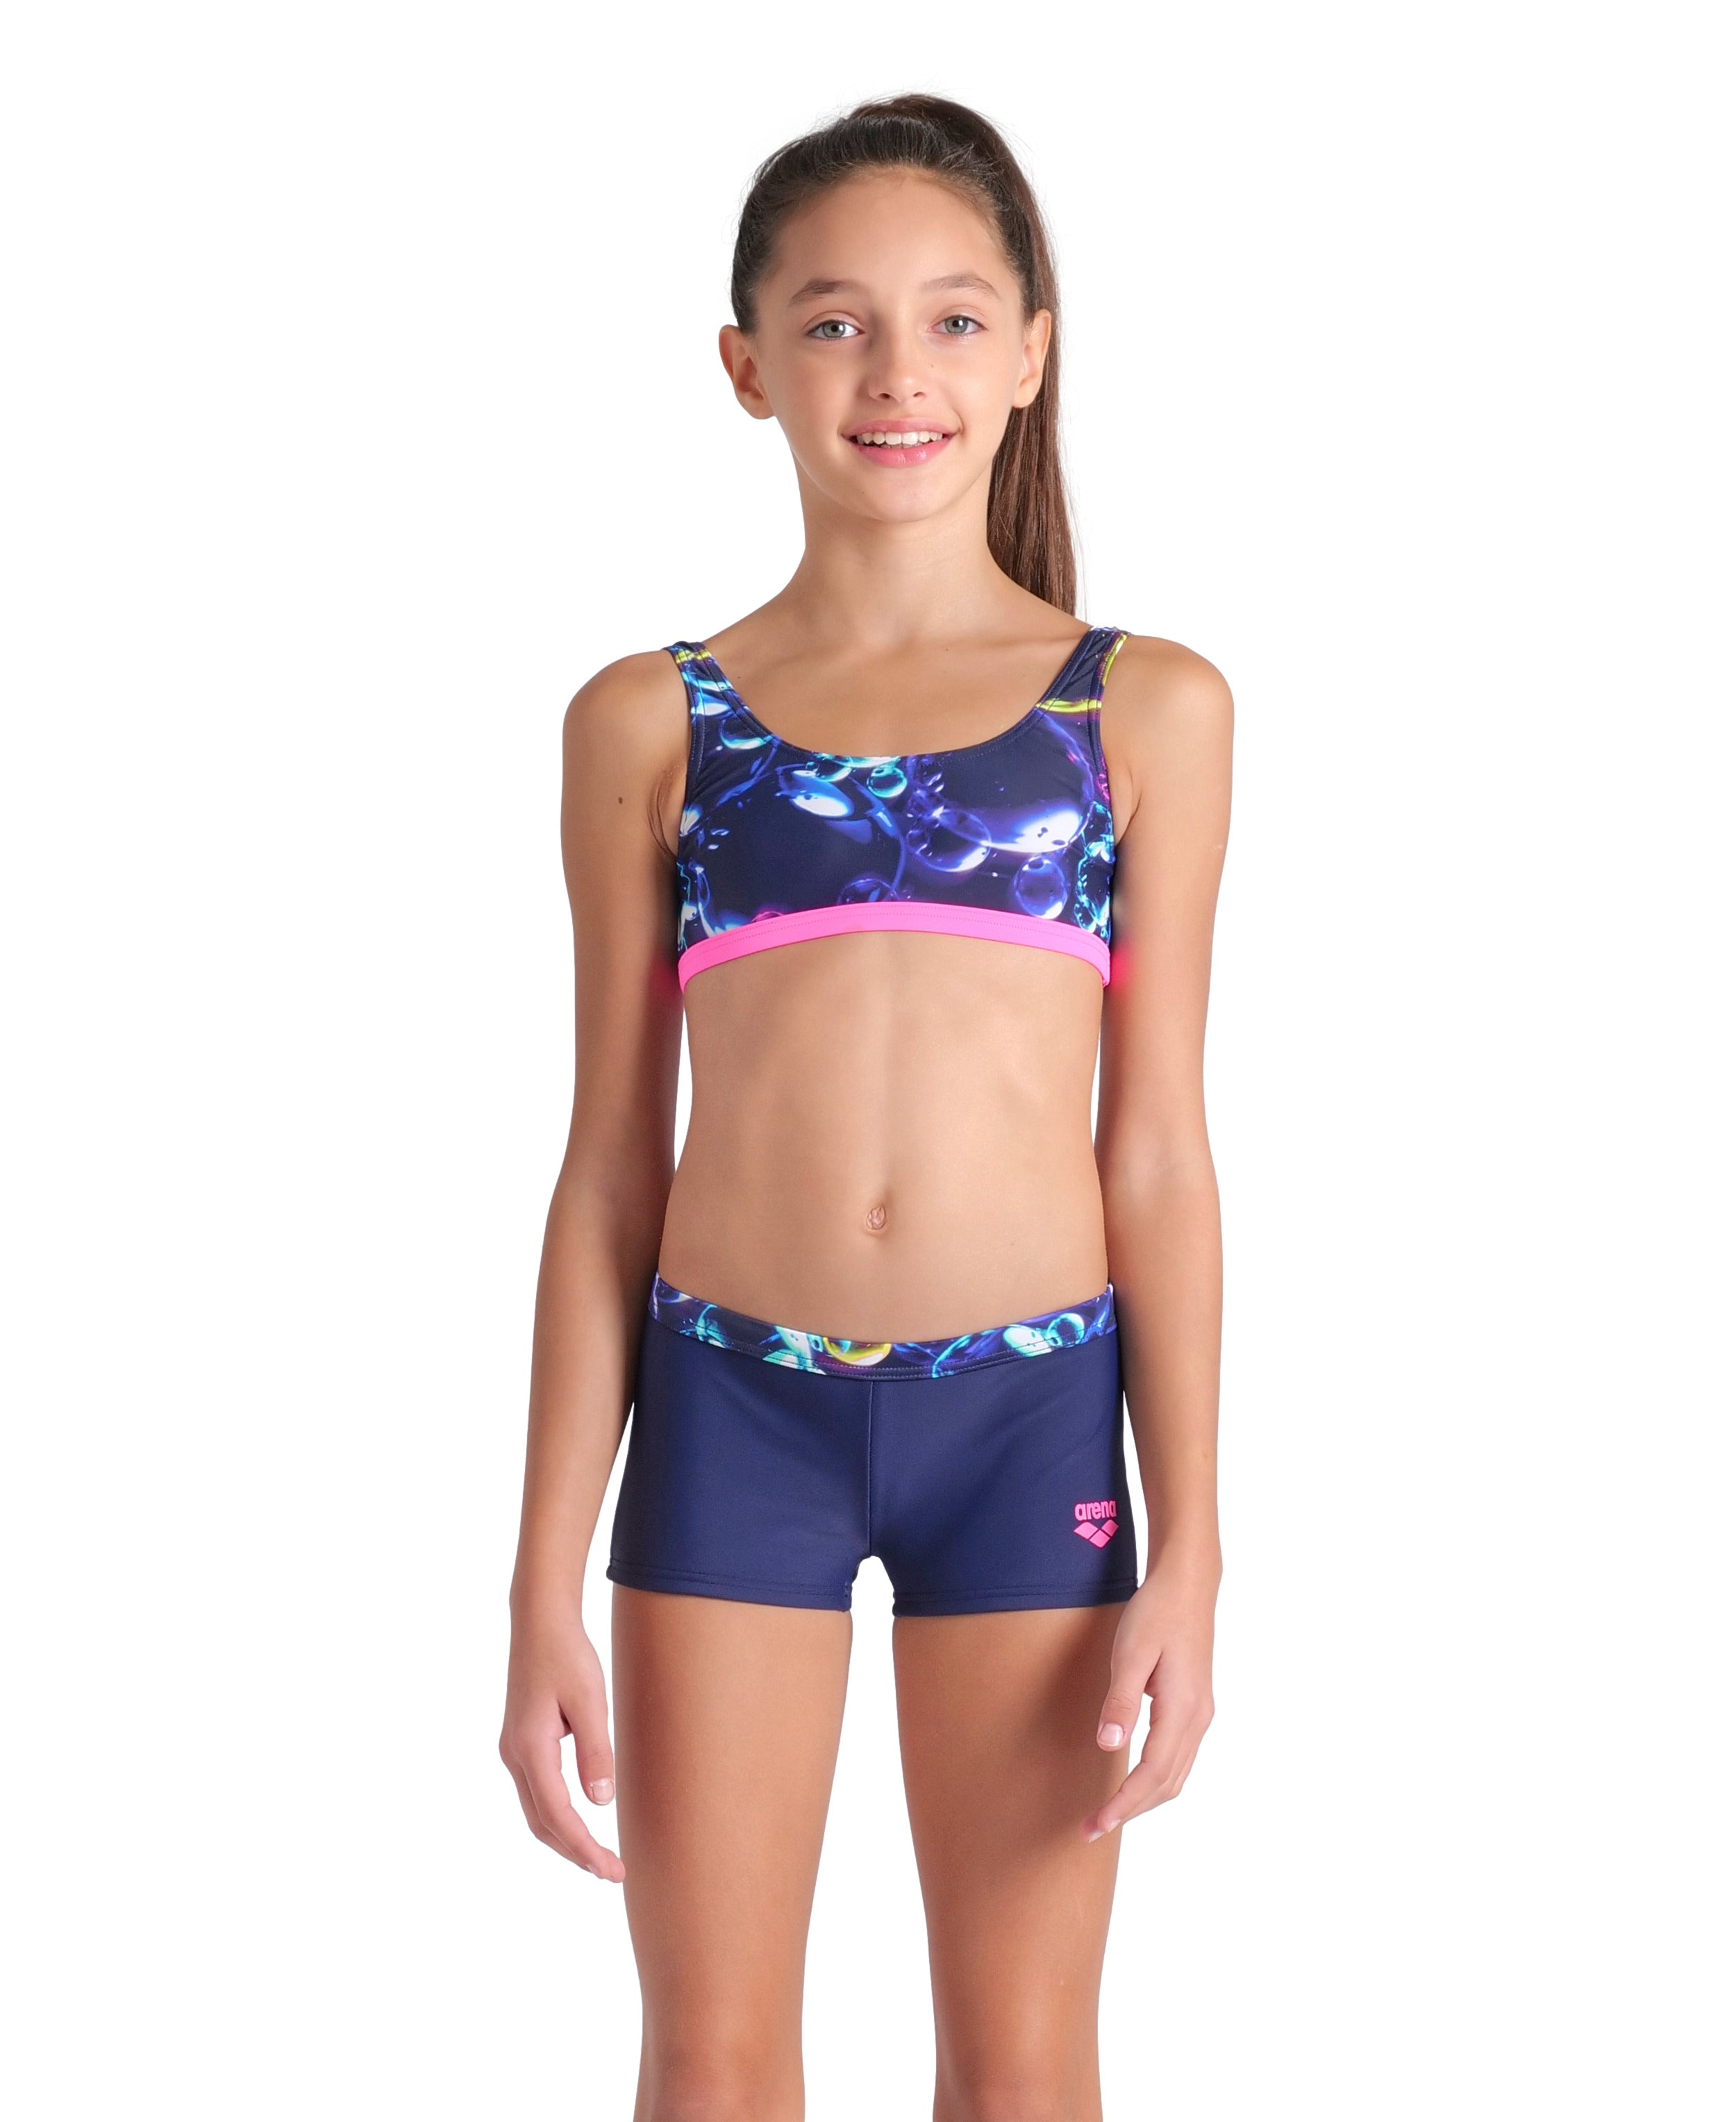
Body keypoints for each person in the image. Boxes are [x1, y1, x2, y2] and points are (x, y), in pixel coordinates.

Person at [500, 93, 1233, 2121]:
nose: (896, 372)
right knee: (712, 2066)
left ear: (1032, 352)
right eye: (834, 323)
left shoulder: (1142, 710)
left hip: (1031, 1421)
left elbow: (1159, 1156)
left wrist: (1193, 1544)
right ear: (747, 366)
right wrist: (540, 1572)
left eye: (952, 319)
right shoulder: (655, 722)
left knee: (1023, 2071)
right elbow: (605, 1173)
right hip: (732, 1416)